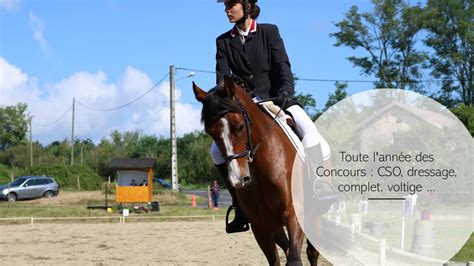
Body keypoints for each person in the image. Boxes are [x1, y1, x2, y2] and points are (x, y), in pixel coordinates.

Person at [211, 0, 335, 233]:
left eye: (231, 4)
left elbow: (282, 67)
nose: (227, 9)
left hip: (276, 100)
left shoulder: (269, 32)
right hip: (243, 108)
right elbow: (222, 78)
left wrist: (285, 93)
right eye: (225, 5)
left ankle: (320, 186)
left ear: (247, 5)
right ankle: (239, 204)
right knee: (215, 151)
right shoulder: (223, 41)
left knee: (309, 129)